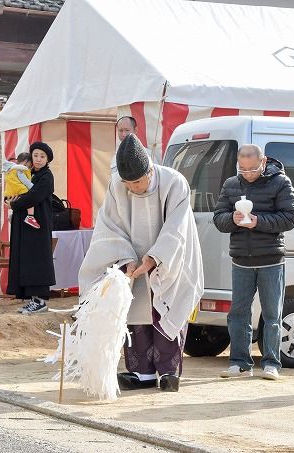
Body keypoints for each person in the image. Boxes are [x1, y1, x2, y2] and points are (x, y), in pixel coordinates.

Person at [79, 133, 203, 392]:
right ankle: (141, 372)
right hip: (132, 261)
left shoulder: (173, 182)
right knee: (135, 314)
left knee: (164, 312)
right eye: (128, 183)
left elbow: (177, 228)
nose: (133, 188)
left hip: (169, 260)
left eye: (137, 181)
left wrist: (155, 257)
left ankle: (168, 372)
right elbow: (109, 226)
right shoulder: (116, 186)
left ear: (149, 171)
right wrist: (125, 259)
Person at [213, 144, 294, 381]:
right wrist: (232, 218)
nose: (247, 173)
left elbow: (291, 216)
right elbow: (218, 218)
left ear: (263, 162)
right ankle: (239, 362)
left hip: (271, 258)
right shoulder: (231, 184)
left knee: (272, 313)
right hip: (240, 258)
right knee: (238, 313)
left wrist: (258, 222)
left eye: (252, 169)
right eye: (243, 169)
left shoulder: (281, 182)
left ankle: (271, 363)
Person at [6, 142, 56, 315]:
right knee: (27, 259)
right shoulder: (28, 173)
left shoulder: (46, 176)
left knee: (38, 259)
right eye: (35, 155)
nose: (38, 159)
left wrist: (14, 204)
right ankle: (32, 299)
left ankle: (40, 300)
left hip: (39, 226)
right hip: (25, 225)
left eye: (42, 156)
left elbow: (33, 196)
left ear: (48, 159)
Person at [3, 152, 39, 229]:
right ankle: (30, 217)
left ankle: (12, 216)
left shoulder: (10, 169)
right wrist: (34, 188)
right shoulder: (20, 170)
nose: (27, 167)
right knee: (30, 201)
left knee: (17, 205)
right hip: (18, 192)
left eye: (28, 166)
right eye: (25, 165)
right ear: (19, 162)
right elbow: (25, 181)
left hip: (9, 194)